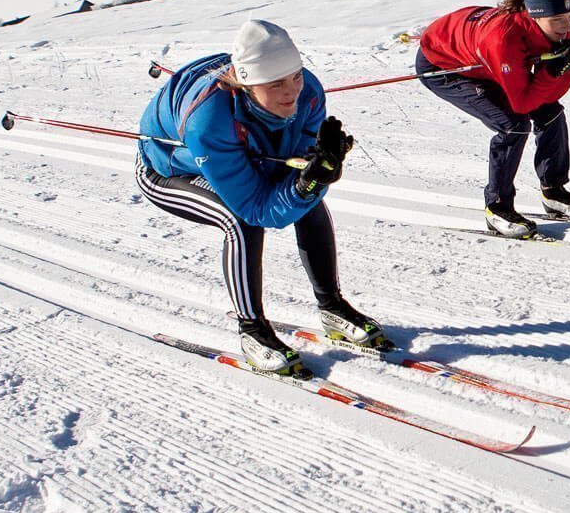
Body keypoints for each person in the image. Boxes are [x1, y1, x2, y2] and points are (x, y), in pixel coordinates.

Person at [136, 20, 387, 376]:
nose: (292, 93)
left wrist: (314, 176)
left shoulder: (309, 91)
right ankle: (251, 331)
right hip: (168, 171)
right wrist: (305, 185)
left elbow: (299, 170)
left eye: (295, 76)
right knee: (239, 221)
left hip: (246, 152)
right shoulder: (208, 121)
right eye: (276, 84)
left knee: (310, 202)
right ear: (248, 85)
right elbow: (257, 209)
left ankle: (331, 305)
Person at [417, 0, 570, 238]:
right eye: (558, 19)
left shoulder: (548, 27)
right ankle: (497, 208)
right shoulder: (504, 40)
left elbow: (548, 97)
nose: (565, 26)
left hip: (485, 60)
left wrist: (565, 69)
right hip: (444, 67)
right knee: (513, 124)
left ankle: (554, 192)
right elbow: (523, 103)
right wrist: (553, 71)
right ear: (535, 14)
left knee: (551, 113)